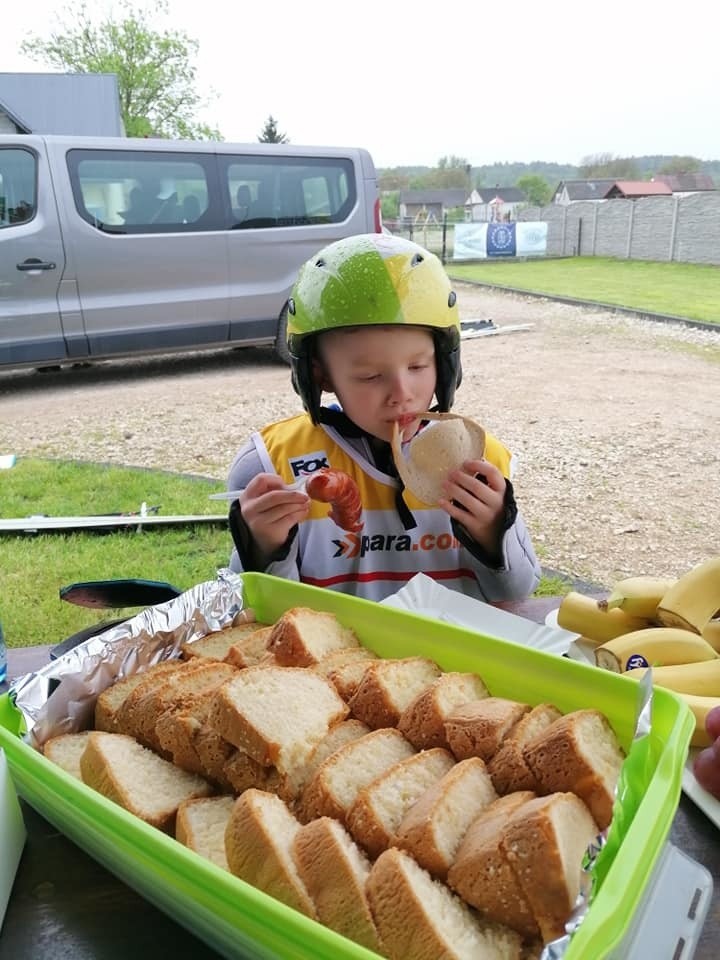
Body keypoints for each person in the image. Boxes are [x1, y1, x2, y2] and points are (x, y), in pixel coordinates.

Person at [226, 232, 541, 602]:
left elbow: (518, 592)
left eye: (418, 365)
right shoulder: (270, 464)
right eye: (370, 376)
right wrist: (264, 549)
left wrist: (492, 531)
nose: (402, 393)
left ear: (444, 361)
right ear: (319, 375)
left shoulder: (480, 460)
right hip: (331, 658)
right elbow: (252, 608)